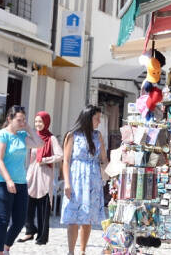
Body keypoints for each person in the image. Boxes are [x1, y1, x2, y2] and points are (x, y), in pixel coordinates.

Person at [0, 105, 45, 255]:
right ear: (10, 119)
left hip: (21, 183)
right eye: (19, 120)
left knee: (20, 221)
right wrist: (8, 180)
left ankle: (6, 246)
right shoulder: (2, 135)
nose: (22, 123)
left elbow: (40, 144)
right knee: (3, 220)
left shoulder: (22, 135)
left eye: (24, 120)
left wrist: (29, 128)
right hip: (2, 182)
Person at [61, 105, 108, 255]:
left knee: (88, 217)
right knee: (73, 216)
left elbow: (103, 159)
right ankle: (71, 251)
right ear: (88, 119)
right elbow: (66, 161)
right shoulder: (72, 135)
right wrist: (67, 183)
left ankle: (82, 251)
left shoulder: (98, 136)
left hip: (93, 180)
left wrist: (111, 171)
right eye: (97, 118)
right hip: (76, 179)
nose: (99, 121)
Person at [17, 111, 63, 245]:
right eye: (36, 121)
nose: (38, 124)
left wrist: (45, 159)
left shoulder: (51, 138)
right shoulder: (33, 137)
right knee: (28, 204)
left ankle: (42, 237)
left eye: (40, 122)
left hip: (44, 174)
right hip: (32, 173)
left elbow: (60, 155)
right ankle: (29, 231)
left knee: (43, 206)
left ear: (46, 123)